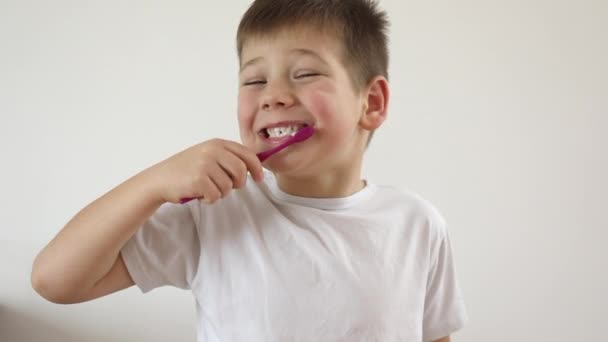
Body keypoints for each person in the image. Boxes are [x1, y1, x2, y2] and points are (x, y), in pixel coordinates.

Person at [31, 0, 467, 341]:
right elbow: (54, 281)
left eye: (305, 73)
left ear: (371, 103)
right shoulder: (214, 215)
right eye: (254, 80)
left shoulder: (418, 224)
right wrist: (154, 184)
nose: (273, 96)